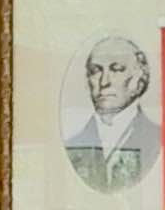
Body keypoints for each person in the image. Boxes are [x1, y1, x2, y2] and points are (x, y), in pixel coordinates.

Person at [61, 35, 159, 192]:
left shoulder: (159, 140)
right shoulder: (72, 144)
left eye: (117, 69)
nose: (104, 82)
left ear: (139, 78)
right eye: (95, 71)